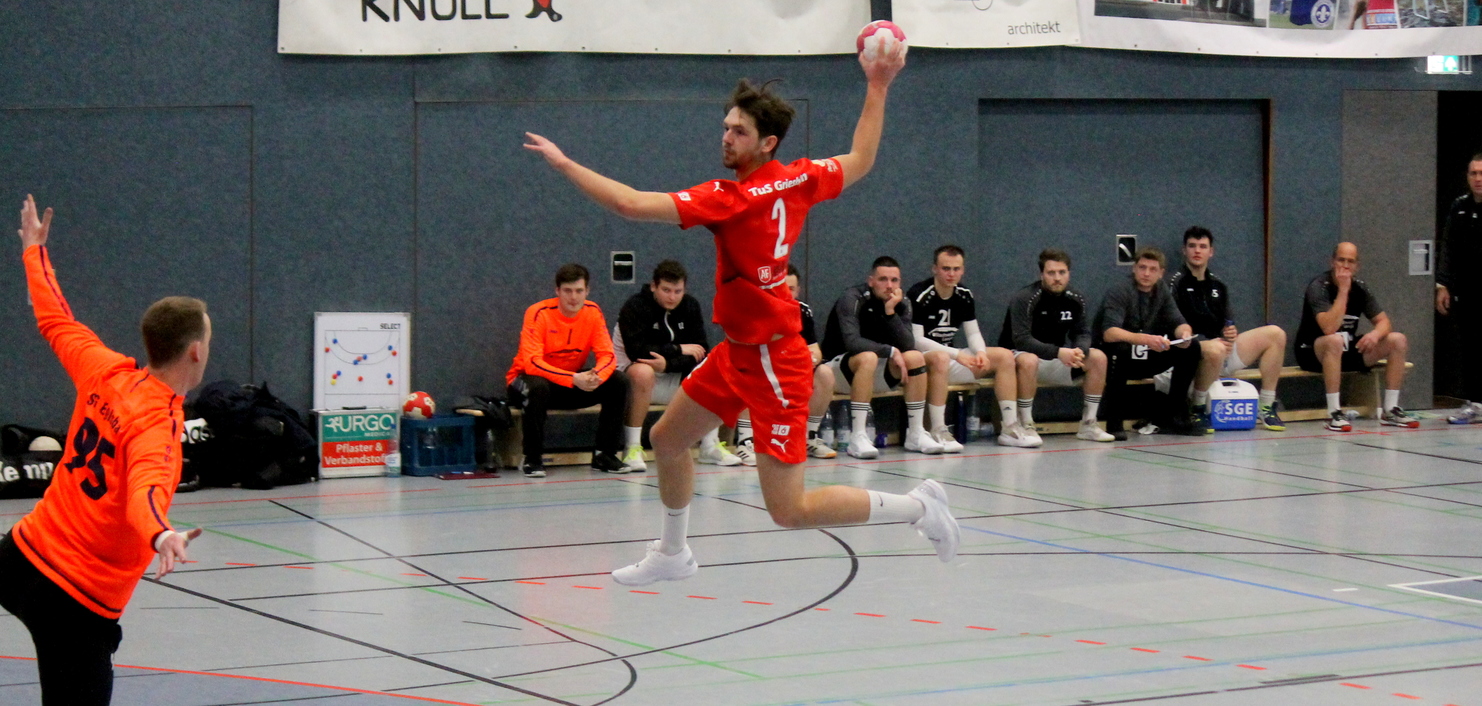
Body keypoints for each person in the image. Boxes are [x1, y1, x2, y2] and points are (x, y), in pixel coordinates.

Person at [524, 38, 960, 587]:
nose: (726, 137)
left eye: (739, 131)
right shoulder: (800, 177)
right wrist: (877, 85)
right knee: (668, 439)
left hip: (776, 362)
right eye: (726, 126)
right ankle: (673, 553)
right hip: (738, 352)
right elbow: (862, 159)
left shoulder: (729, 199)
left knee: (790, 510)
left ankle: (920, 507)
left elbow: (629, 203)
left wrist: (564, 163)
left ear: (767, 142)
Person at [0, 195, 205, 705]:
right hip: (75, 602)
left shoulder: (106, 369)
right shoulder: (158, 424)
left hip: (20, 558)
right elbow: (145, 493)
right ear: (196, 352)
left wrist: (33, 251)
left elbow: (55, 318)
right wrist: (161, 534)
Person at [613, 259, 740, 470]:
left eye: (677, 291)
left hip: (672, 376)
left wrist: (667, 365)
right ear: (653, 286)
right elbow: (637, 352)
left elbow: (700, 351)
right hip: (632, 380)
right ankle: (632, 449)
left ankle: (710, 446)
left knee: (714, 369)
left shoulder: (690, 306)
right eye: (666, 290)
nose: (672, 297)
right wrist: (678, 349)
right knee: (643, 372)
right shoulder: (635, 307)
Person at [506, 263, 631, 477]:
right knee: (538, 388)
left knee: (618, 381)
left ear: (587, 291)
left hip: (568, 384)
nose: (573, 297)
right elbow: (533, 363)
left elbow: (608, 356)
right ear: (557, 291)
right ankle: (532, 458)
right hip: (525, 381)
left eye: (579, 291)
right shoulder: (538, 313)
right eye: (568, 291)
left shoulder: (593, 312)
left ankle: (605, 455)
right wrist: (574, 378)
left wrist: (596, 377)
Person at [907, 244, 1036, 449]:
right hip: (923, 363)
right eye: (946, 268)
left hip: (950, 359)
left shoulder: (964, 294)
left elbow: (973, 333)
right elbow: (916, 340)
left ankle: (1010, 427)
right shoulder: (919, 294)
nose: (951, 274)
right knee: (940, 358)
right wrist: (957, 354)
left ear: (963, 270)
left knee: (1004, 356)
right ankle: (938, 429)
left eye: (956, 269)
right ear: (934, 269)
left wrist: (981, 353)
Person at [822, 256, 947, 458]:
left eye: (894, 280)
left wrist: (890, 313)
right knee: (868, 357)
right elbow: (852, 342)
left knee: (915, 357)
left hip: (874, 373)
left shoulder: (901, 302)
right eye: (883, 279)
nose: (889, 285)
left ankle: (915, 432)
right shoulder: (852, 298)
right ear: (871, 281)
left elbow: (908, 344)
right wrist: (890, 351)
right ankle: (858, 436)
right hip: (837, 372)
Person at [1166, 227, 1288, 432]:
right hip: (1192, 354)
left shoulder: (1218, 284)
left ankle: (1266, 406)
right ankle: (1197, 408)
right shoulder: (1175, 282)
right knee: (1216, 349)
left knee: (1276, 334)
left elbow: (1227, 322)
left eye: (1203, 246)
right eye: (1192, 246)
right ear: (1184, 250)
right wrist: (1204, 342)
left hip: (1222, 350)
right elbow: (1171, 326)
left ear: (1211, 252)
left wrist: (1230, 333)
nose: (1197, 251)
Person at [1295, 242, 1418, 431]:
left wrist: (1375, 334)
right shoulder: (1319, 287)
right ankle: (1334, 412)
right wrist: (1343, 291)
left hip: (1346, 348)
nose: (1345, 266)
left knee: (1397, 340)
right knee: (1334, 340)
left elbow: (1384, 322)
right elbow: (1329, 328)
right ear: (1332, 262)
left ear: (1357, 266)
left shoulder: (1360, 288)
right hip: (1313, 351)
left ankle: (1390, 409)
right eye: (1341, 260)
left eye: (1350, 262)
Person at [999, 248, 1116, 443]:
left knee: (1098, 358)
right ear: (1041, 275)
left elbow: (1082, 332)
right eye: (1051, 273)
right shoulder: (1025, 298)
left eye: (1062, 272)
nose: (1057, 278)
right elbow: (1021, 339)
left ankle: (1088, 424)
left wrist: (1079, 350)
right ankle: (1027, 424)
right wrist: (1058, 352)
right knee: (1029, 360)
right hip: (1018, 360)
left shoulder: (1075, 298)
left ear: (1069, 273)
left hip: (1055, 358)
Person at [733, 264, 838, 464]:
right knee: (745, 370)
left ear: (798, 291)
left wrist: (808, 360)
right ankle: (745, 440)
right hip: (762, 367)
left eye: (791, 289)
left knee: (825, 373)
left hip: (792, 371)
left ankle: (809, 436)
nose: (786, 294)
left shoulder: (803, 311)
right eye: (782, 288)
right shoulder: (758, 308)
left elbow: (815, 350)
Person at [1095, 247, 1204, 438]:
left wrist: (1184, 334)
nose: (1146, 273)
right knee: (1120, 349)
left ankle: (1174, 414)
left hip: (1145, 354)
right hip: (1118, 355)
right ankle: (1114, 422)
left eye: (1152, 269)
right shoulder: (1120, 291)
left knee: (1192, 348)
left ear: (1161, 273)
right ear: (1134, 269)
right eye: (1142, 267)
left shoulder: (1161, 291)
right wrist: (1145, 339)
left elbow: (1178, 321)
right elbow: (1109, 333)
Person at [1437, 153, 1482, 423]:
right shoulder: (1460, 207)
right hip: (1467, 292)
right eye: (1473, 173)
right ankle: (1474, 402)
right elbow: (1449, 248)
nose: (1478, 178)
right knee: (1470, 347)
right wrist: (1443, 284)